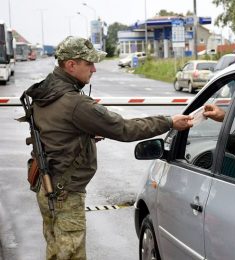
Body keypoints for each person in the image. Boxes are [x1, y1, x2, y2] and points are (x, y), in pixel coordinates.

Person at [25, 36, 192, 260]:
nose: (94, 68)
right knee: (69, 254)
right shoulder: (74, 102)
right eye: (89, 63)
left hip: (45, 186)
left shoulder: (45, 91)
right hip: (64, 192)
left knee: (56, 250)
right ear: (71, 65)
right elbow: (125, 128)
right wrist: (169, 122)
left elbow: (56, 134)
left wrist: (85, 137)